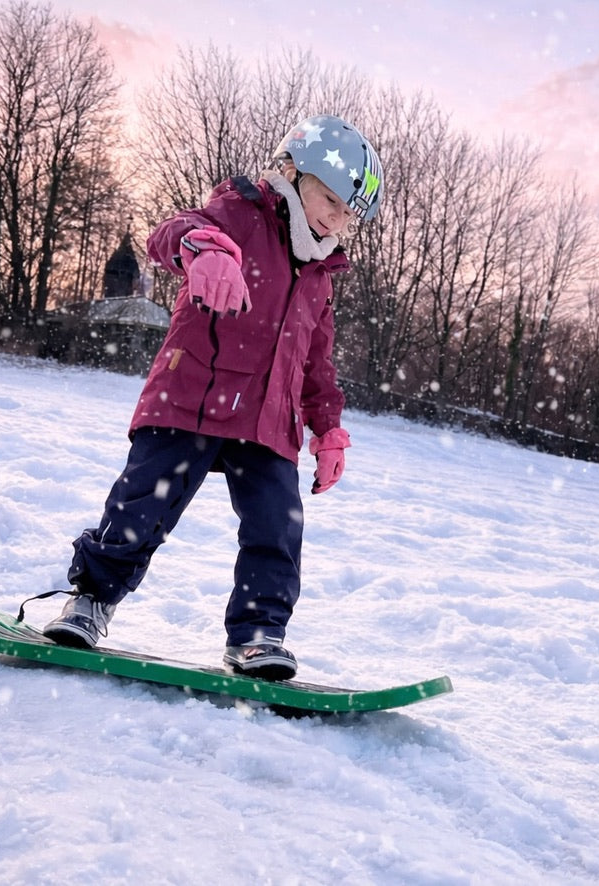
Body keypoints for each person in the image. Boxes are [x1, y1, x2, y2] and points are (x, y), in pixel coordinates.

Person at [42, 114, 385, 680]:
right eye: (330, 199)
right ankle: (89, 601)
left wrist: (327, 430)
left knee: (277, 529)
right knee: (140, 507)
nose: (336, 219)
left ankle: (258, 635)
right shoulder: (239, 214)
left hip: (270, 420)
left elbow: (317, 364)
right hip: (192, 396)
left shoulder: (320, 274)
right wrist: (206, 250)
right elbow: (168, 233)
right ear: (293, 172)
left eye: (350, 214)